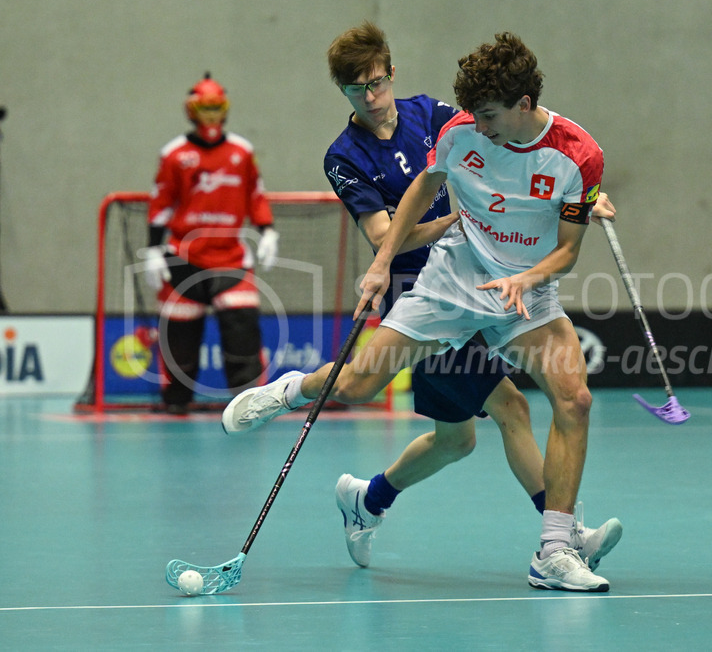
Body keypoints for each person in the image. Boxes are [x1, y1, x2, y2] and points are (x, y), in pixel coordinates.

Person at [224, 32, 611, 592]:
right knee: (362, 388)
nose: (478, 125)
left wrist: (577, 205)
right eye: (357, 87)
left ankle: (555, 547)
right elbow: (419, 193)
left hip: (523, 291)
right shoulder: (434, 137)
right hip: (449, 281)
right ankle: (291, 392)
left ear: (523, 104)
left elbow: (566, 247)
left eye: (488, 115)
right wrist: (381, 263)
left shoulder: (575, 154)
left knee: (568, 399)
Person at [141, 73, 278, 416]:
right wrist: (153, 249)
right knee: (179, 339)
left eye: (218, 108)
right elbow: (161, 203)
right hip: (182, 258)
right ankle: (176, 402)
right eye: (206, 108)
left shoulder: (242, 152)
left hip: (231, 258)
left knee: (243, 332)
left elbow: (255, 195)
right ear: (192, 111)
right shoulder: (174, 154)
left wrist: (268, 231)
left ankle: (249, 404)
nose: (212, 116)